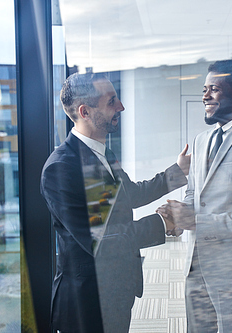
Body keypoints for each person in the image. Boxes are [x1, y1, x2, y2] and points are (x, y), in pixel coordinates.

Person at [40, 72, 189, 333]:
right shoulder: (61, 168)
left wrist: (177, 172)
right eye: (111, 101)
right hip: (86, 303)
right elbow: (100, 240)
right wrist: (163, 223)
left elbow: (128, 194)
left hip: (115, 290)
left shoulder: (101, 153)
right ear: (85, 112)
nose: (121, 106)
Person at [158, 59, 232, 332]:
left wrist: (198, 221)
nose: (204, 96)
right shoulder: (201, 140)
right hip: (195, 264)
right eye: (204, 89)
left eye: (213, 89)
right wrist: (177, 217)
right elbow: (194, 191)